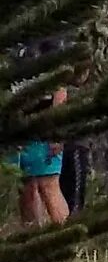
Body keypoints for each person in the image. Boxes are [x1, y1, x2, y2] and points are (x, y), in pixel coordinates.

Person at [14, 88, 70, 230]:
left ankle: (67, 239)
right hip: (14, 127)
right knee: (26, 188)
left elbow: (60, 89)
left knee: (48, 186)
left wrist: (58, 131)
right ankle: (33, 240)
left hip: (43, 129)